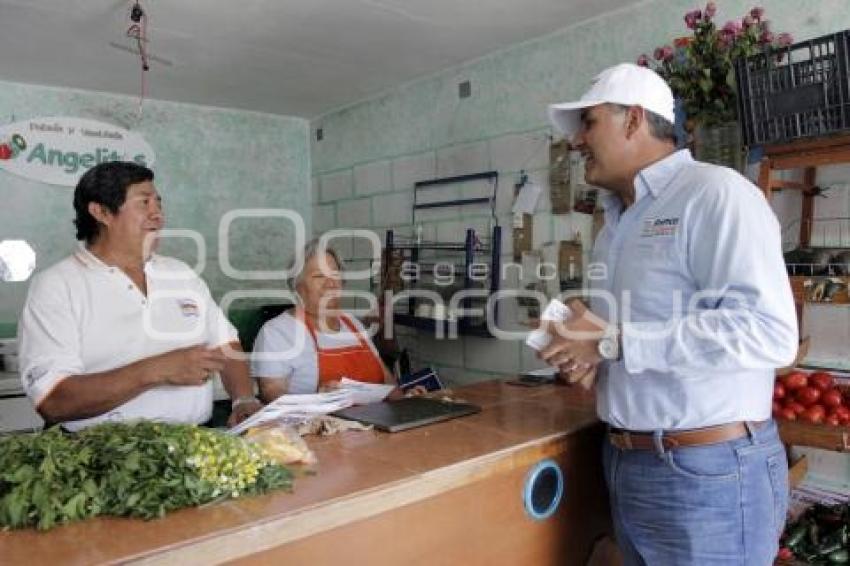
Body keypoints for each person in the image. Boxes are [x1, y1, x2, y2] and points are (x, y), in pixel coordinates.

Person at [542, 63, 798, 565]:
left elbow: (770, 333)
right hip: (628, 463)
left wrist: (611, 341)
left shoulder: (715, 193)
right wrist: (587, 355)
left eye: (588, 123)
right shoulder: (615, 224)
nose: (576, 143)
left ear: (634, 119)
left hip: (708, 474)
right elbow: (628, 336)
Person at [18, 161, 261, 431]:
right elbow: (53, 401)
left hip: (194, 443)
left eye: (159, 203)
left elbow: (225, 345)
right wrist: (158, 370)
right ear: (101, 212)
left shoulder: (181, 274)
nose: (158, 214)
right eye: (144, 203)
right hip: (101, 453)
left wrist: (244, 400)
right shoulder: (57, 285)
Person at [252, 240, 403, 402]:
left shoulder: (353, 324)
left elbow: (388, 385)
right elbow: (272, 397)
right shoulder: (277, 332)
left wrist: (410, 401)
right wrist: (317, 400)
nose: (330, 284)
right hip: (320, 426)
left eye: (335, 276)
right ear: (297, 286)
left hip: (373, 426)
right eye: (319, 276)